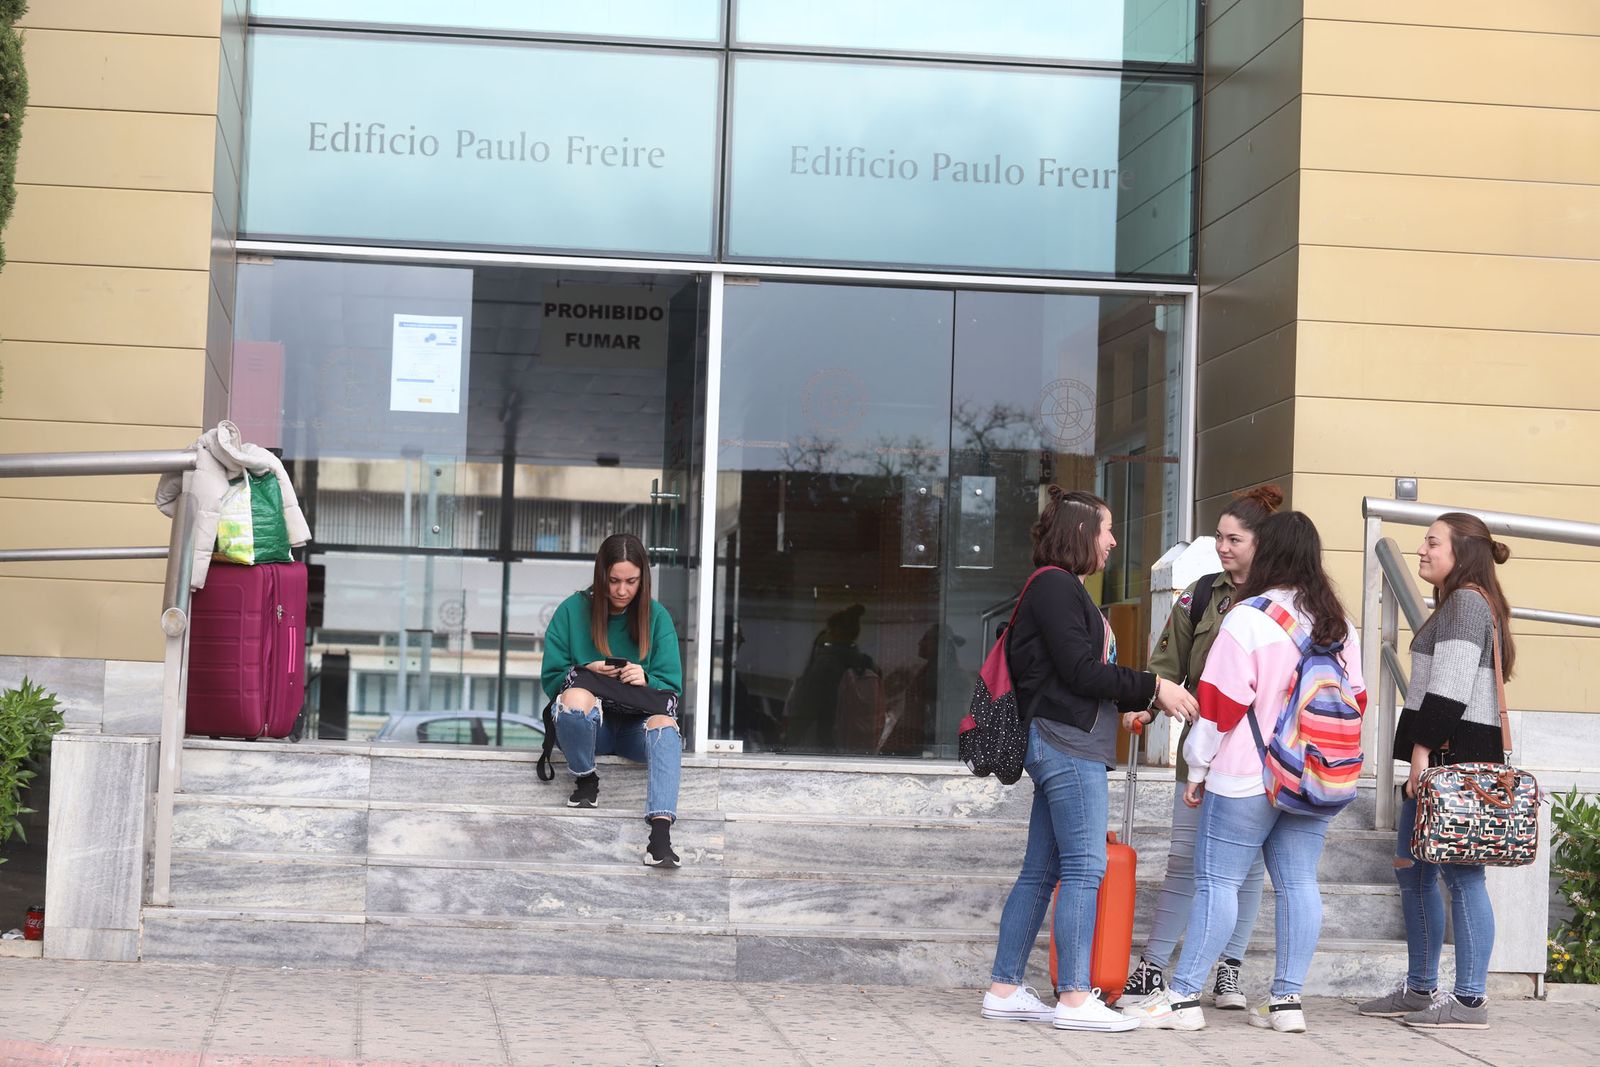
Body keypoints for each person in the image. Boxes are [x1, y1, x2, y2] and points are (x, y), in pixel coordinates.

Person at [1121, 511, 1365, 1034]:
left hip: (1245, 774)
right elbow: (1356, 701)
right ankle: (1286, 1004)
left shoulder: (1249, 617)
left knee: (1217, 882)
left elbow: (1219, 706)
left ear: (1268, 553)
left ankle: (1182, 999)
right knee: (1299, 885)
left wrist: (1196, 768)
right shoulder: (1338, 625)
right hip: (1311, 775)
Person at [981, 487, 1198, 1033]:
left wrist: (1136, 703)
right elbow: (1080, 671)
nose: (1113, 540)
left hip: (1063, 738)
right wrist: (1154, 688)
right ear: (1081, 532)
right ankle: (1077, 999)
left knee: (1043, 869)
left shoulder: (1061, 588)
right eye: (1106, 529)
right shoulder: (1056, 587)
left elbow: (1075, 675)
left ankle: (1005, 988)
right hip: (1066, 744)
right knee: (1084, 867)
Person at [1120, 484, 1283, 1009]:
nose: (1222, 546)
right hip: (1201, 751)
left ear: (1261, 543)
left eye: (1234, 538)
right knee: (1185, 860)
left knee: (1249, 868)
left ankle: (1228, 970)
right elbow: (1168, 664)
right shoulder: (1201, 593)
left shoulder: (1279, 601)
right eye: (1218, 536)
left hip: (1262, 756)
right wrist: (1148, 703)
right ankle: (1152, 966)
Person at [1358, 513, 1515, 1030]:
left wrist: (1421, 756)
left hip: (1454, 759)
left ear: (1462, 551)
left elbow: (1448, 692)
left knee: (1463, 877)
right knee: (1413, 871)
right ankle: (1422, 988)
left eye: (1432, 542)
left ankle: (1469, 1000)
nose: (1421, 550)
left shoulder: (1467, 605)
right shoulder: (1454, 605)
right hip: (1441, 755)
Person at [542, 532, 685, 868]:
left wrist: (645, 678)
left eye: (632, 581)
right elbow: (551, 678)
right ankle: (586, 779)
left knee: (666, 725)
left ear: (643, 579)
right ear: (601, 576)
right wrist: (585, 671)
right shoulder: (572, 610)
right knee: (575, 696)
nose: (622, 591)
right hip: (594, 730)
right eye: (614, 581)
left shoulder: (657, 616)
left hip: (638, 730)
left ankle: (660, 837)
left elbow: (672, 689)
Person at [782, 604, 875, 752]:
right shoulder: (863, 663)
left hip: (824, 734)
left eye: (830, 630)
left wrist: (792, 736)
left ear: (836, 632)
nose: (827, 634)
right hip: (851, 734)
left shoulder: (827, 662)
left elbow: (808, 704)